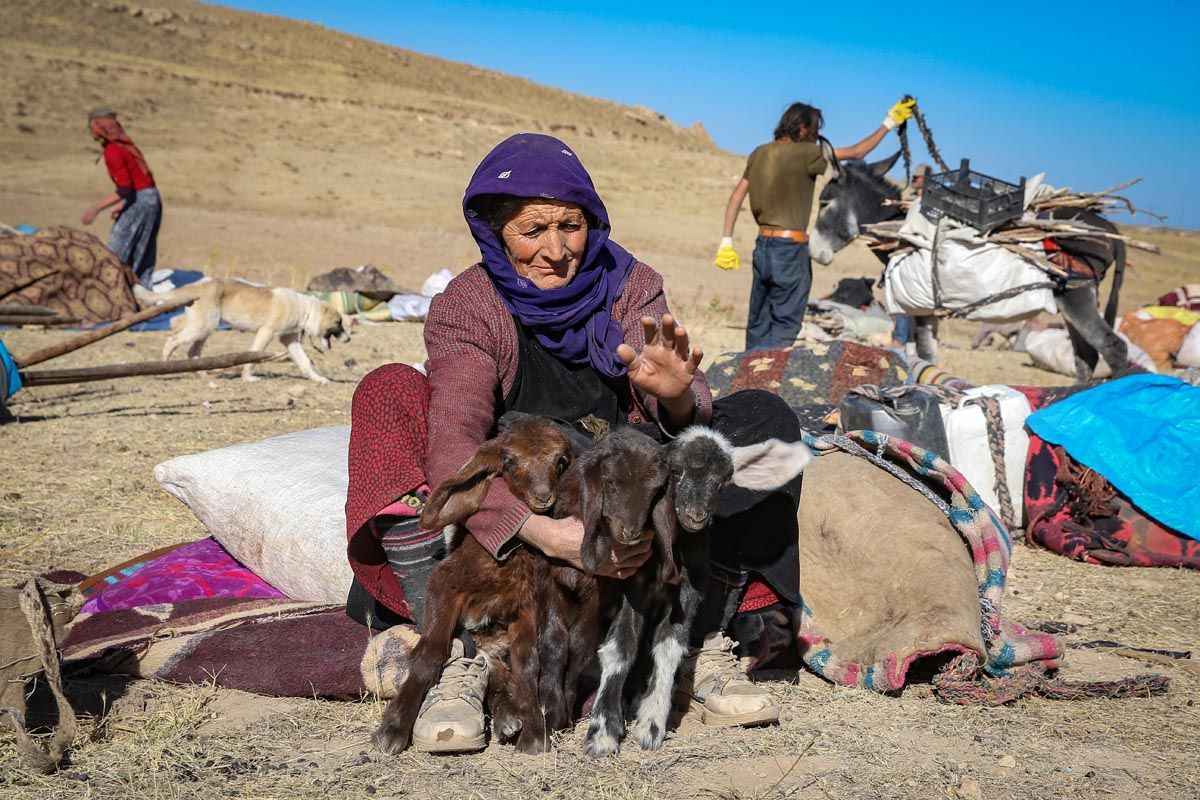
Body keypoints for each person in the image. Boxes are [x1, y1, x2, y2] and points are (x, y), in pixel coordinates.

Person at [345, 134, 806, 753]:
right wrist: (547, 534)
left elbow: (672, 413)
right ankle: (461, 653)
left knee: (764, 417)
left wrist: (675, 396)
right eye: (533, 229)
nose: (556, 250)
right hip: (526, 497)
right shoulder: (470, 305)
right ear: (495, 231)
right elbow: (457, 441)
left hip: (623, 495)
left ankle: (690, 639)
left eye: (571, 225)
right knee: (388, 391)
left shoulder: (631, 284)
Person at [715, 99, 916, 350]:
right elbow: (857, 152)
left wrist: (726, 241)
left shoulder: (760, 153)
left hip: (763, 248)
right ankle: (769, 371)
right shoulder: (807, 153)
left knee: (759, 322)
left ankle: (750, 369)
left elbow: (737, 196)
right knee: (785, 324)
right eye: (815, 130)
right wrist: (890, 121)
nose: (817, 136)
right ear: (802, 129)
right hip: (790, 251)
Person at [80, 108, 163, 287]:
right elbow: (138, 182)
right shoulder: (124, 146)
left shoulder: (114, 151)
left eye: (91, 126)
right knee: (142, 250)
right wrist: (123, 205)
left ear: (99, 128)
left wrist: (95, 208)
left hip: (142, 201)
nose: (90, 130)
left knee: (117, 249)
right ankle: (141, 290)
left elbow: (125, 188)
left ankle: (111, 289)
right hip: (151, 198)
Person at [892, 164, 939, 360]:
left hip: (922, 262)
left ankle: (902, 347)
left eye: (917, 177)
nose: (913, 180)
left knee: (914, 309)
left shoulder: (932, 202)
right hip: (913, 260)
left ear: (926, 180)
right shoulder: (914, 200)